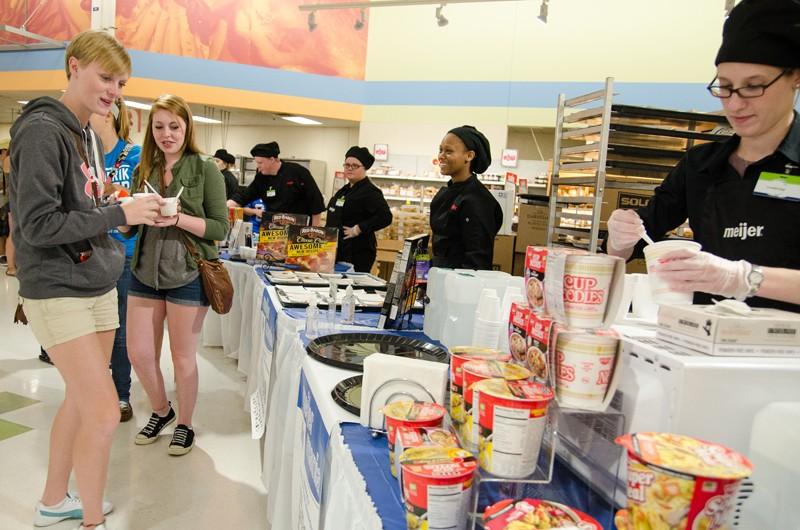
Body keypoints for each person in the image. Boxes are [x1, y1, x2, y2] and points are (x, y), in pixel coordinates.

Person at [10, 30, 162, 530]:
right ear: (74, 66)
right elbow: (38, 224)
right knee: (101, 413)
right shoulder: (42, 131)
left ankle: (56, 499)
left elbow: (88, 205)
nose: (113, 90)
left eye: (120, 82)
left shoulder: (87, 135)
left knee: (81, 402)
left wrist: (128, 209)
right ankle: (92, 519)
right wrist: (120, 213)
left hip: (95, 284)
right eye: (105, 77)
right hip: (57, 287)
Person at [606, 0, 800, 312]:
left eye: (753, 87)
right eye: (724, 87)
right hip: (702, 344)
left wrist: (743, 278)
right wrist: (620, 237)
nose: (735, 105)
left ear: (796, 78)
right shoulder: (700, 166)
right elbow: (634, 244)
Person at [126, 94, 228, 457]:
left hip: (187, 271)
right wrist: (123, 212)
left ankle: (184, 424)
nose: (166, 134)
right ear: (150, 130)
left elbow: (219, 228)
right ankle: (161, 410)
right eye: (159, 127)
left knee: (182, 357)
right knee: (139, 353)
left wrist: (178, 218)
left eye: (174, 126)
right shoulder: (145, 169)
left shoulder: (205, 169)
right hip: (144, 271)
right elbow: (132, 229)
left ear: (187, 128)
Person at [89, 97, 142, 423]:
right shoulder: (83, 157)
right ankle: (92, 391)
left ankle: (120, 394)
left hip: (125, 252)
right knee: (90, 329)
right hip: (89, 254)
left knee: (120, 327)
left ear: (108, 114)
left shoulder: (135, 156)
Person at [429, 125, 503, 270]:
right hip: (440, 278)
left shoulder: (478, 201)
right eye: (440, 150)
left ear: (469, 156)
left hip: (460, 285)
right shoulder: (446, 192)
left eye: (449, 151)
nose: (441, 156)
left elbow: (478, 259)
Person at [325, 146, 392, 272]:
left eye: (355, 165)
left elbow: (385, 217)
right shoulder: (344, 190)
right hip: (338, 251)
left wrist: (359, 228)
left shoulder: (370, 192)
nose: (350, 168)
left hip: (357, 253)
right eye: (347, 165)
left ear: (364, 168)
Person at [227, 141, 326, 225]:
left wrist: (314, 231)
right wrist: (226, 205)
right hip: (273, 229)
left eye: (260, 163)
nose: (257, 167)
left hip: (298, 229)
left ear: (272, 159)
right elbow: (244, 196)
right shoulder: (261, 178)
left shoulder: (298, 172)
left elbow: (316, 203)